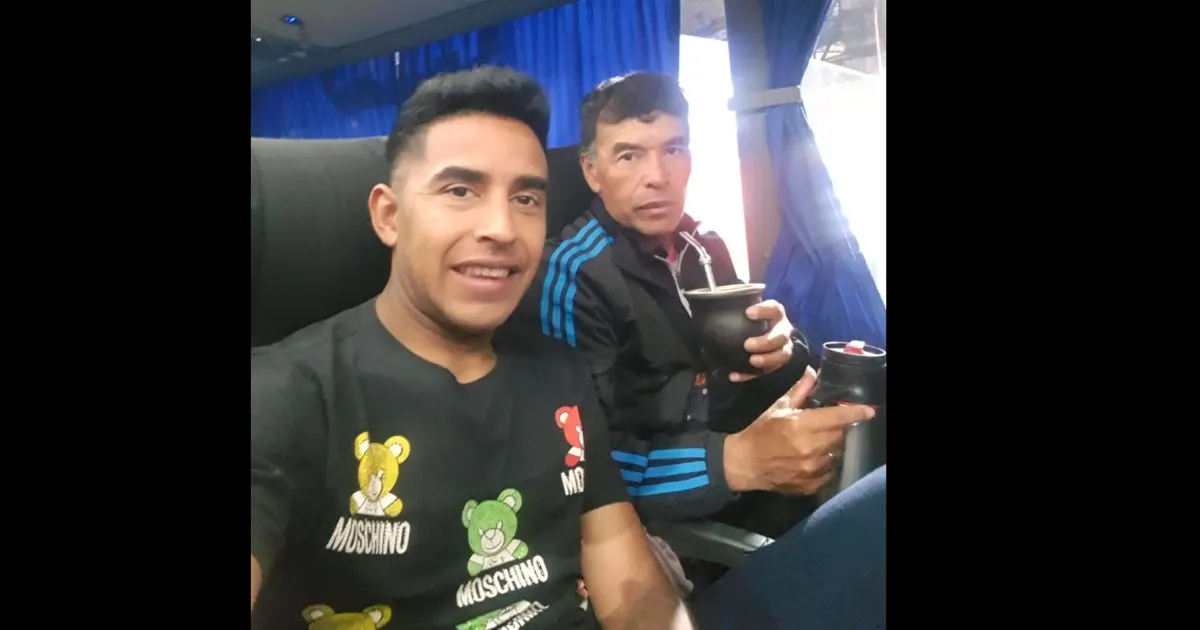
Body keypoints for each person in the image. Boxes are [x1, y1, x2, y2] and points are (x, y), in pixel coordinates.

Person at [250, 67, 693, 630]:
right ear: (389, 216)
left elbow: (619, 562)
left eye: (526, 198)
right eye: (460, 191)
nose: (501, 228)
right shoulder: (286, 396)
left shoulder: (560, 372)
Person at [507, 72, 875, 538]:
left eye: (673, 149)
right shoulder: (570, 277)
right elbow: (578, 464)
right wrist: (737, 462)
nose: (657, 177)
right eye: (628, 155)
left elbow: (754, 361)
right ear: (591, 171)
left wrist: (785, 345)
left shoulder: (704, 247)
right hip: (679, 529)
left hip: (765, 476)